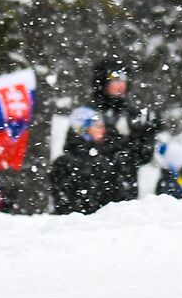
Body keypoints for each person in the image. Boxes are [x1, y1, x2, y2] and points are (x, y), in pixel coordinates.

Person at [86, 57, 161, 202]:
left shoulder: (131, 115)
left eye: (124, 79)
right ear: (102, 82)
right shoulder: (87, 113)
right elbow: (77, 150)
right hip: (91, 195)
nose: (121, 84)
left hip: (124, 197)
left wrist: (148, 133)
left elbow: (143, 157)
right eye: (115, 79)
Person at [50, 106, 124, 214]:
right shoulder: (64, 163)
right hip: (77, 222)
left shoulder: (108, 156)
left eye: (102, 125)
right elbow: (64, 204)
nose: (102, 130)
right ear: (83, 129)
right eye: (96, 126)